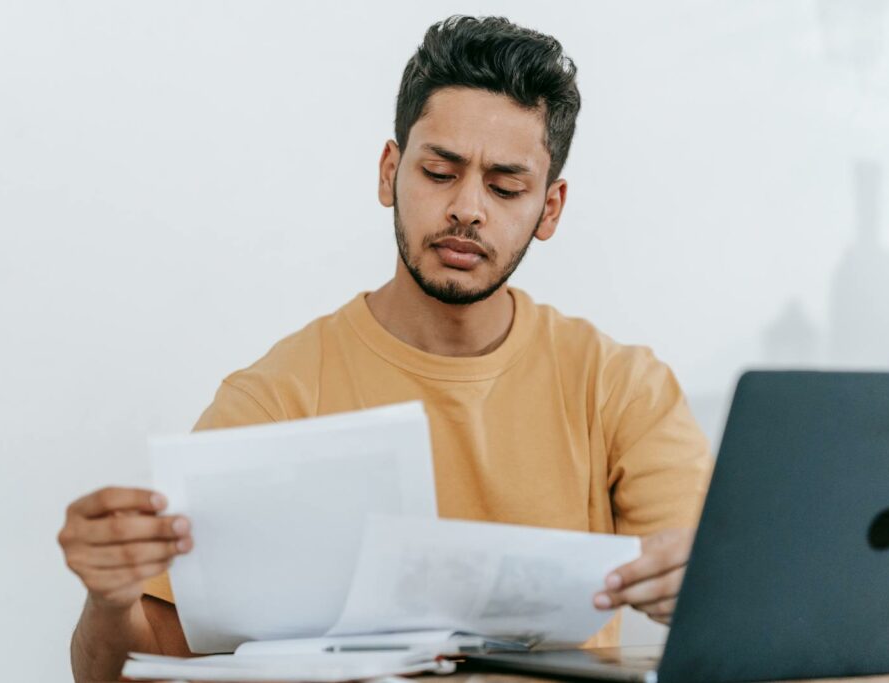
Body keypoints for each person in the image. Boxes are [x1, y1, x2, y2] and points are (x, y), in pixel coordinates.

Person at [57, 15, 712, 682]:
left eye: (506, 186)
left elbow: (719, 605)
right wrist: (107, 599)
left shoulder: (620, 386)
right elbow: (127, 669)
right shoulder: (280, 394)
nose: (467, 208)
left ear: (549, 208)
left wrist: (701, 587)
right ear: (389, 172)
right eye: (439, 171)